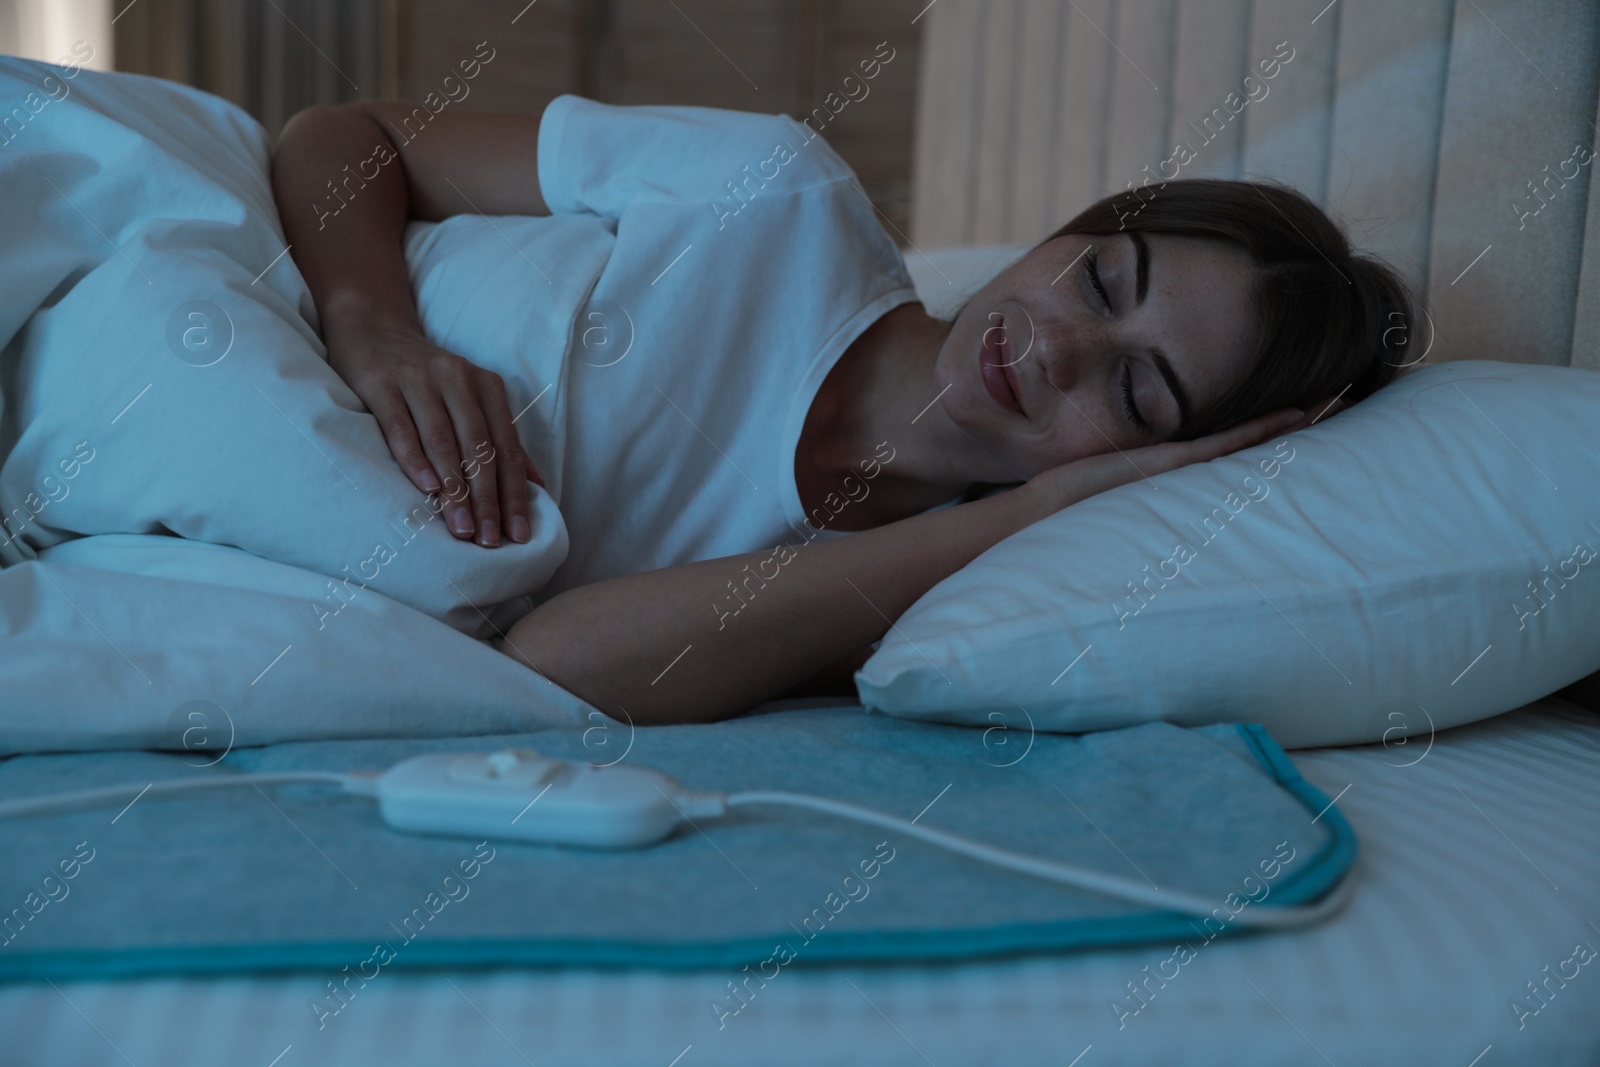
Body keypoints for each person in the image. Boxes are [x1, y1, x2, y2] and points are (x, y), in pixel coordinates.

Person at [271, 95, 1417, 725]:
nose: (1057, 343)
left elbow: (551, 661)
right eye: (1104, 278)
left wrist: (1022, 519)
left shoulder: (940, 596)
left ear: (1159, 465)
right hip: (256, 309)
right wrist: (375, 325)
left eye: (1134, 386)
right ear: (1077, 227)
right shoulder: (776, 190)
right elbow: (338, 137)